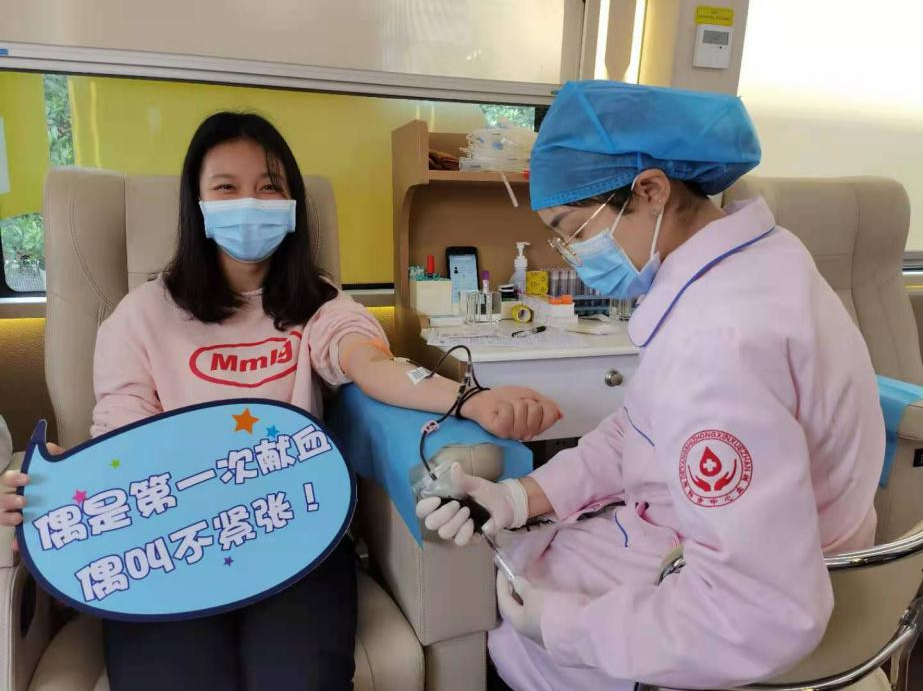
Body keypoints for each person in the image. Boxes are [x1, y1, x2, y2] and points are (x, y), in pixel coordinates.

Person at [0, 111, 561, 691]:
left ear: (292, 204)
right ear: (198, 205)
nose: (250, 202)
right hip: (171, 548)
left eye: (269, 186)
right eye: (226, 187)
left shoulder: (319, 303)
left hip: (295, 533)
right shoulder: (139, 317)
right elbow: (122, 446)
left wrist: (468, 400)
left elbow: (374, 367)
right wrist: (59, 491)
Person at [416, 80, 884, 690]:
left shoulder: (716, 343)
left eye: (574, 229)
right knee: (523, 558)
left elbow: (758, 611)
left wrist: (567, 628)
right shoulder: (761, 261)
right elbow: (638, 429)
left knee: (502, 623)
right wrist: (520, 496)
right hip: (743, 548)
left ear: (651, 190)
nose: (572, 254)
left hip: (734, 605)